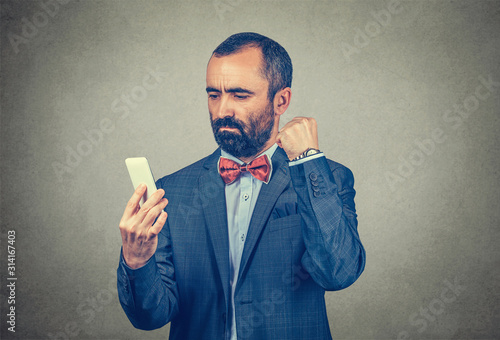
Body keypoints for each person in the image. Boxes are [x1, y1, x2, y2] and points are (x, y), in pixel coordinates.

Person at [117, 32, 366, 340]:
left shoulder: (328, 179)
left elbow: (337, 273)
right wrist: (136, 260)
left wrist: (308, 161)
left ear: (281, 100)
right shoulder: (171, 191)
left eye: (239, 95)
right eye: (213, 95)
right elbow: (150, 316)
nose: (222, 110)